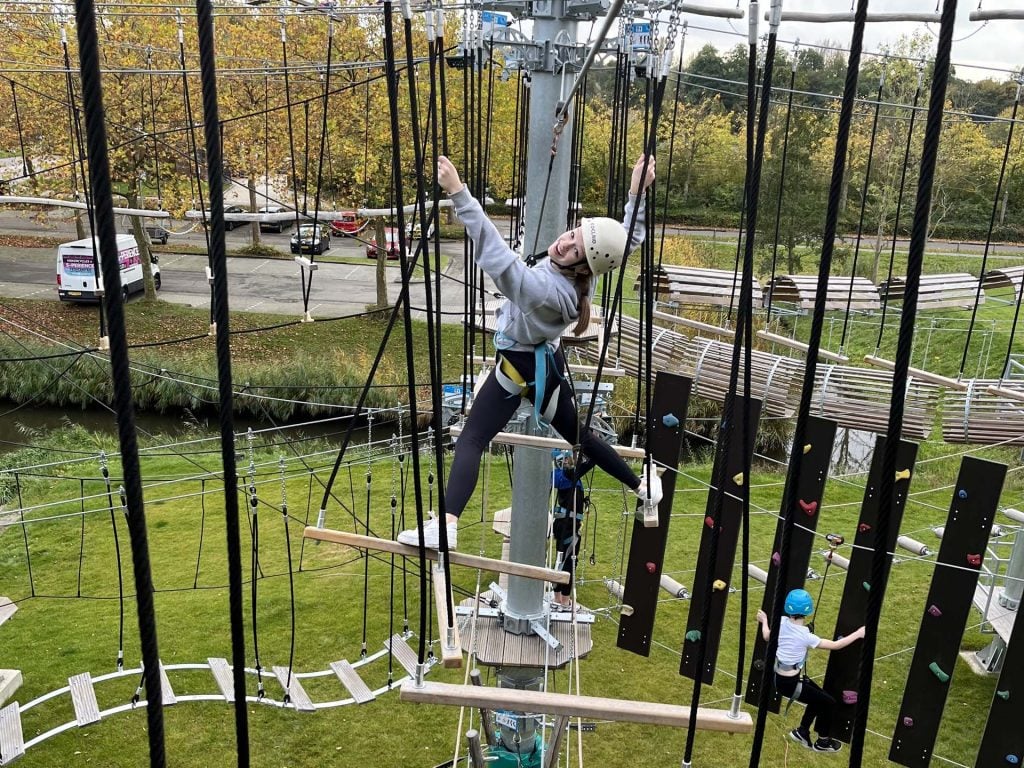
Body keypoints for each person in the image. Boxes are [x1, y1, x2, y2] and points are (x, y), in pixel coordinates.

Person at [397, 153, 660, 550]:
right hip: (543, 367)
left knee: (471, 439)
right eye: (573, 233)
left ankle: (446, 526)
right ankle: (642, 487)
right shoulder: (578, 280)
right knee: (581, 436)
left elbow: (499, 259)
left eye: (573, 249)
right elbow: (625, 240)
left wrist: (459, 194)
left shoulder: (545, 292)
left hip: (520, 369)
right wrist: (636, 194)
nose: (564, 242)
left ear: (583, 267)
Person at [756, 589, 866, 754]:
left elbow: (766, 636)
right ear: (808, 610)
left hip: (781, 679)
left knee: (818, 698)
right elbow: (835, 646)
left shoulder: (781, 622)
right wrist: (858, 634)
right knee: (829, 703)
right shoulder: (806, 637)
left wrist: (764, 620)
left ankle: (802, 732)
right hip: (790, 684)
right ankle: (823, 742)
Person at [550, 449, 594, 610]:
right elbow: (590, 462)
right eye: (568, 458)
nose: (571, 460)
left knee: (561, 559)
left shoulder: (560, 476)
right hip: (569, 526)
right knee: (569, 561)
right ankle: (565, 601)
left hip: (563, 524)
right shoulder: (569, 475)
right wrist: (597, 449)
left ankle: (557, 598)